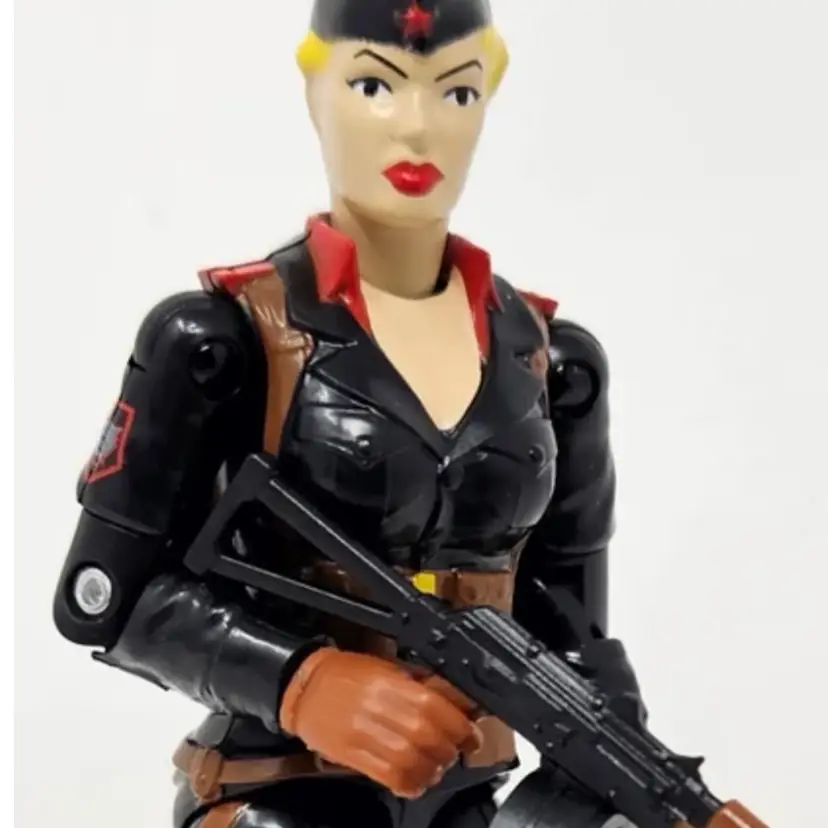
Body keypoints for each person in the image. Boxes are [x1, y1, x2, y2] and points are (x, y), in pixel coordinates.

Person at [52, 2, 646, 827]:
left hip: (466, 799)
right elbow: (103, 599)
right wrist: (300, 682)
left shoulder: (552, 361)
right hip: (279, 786)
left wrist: (621, 758)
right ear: (314, 87)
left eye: (457, 92)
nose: (418, 127)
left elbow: (568, 616)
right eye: (375, 84)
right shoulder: (224, 340)